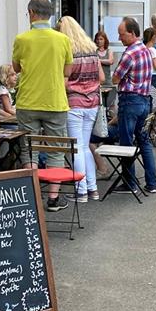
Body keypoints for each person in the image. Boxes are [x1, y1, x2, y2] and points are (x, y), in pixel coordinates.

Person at [12, 0, 74, 212]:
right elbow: (67, 71)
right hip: (55, 101)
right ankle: (53, 199)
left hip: (28, 101)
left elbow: (17, 68)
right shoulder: (63, 40)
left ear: (31, 13)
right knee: (56, 149)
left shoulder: (22, 39)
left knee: (29, 149)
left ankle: (32, 195)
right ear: (50, 14)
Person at [58, 16, 105, 203]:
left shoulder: (69, 51)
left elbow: (64, 82)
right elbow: (101, 77)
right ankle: (92, 188)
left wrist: (73, 87)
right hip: (92, 103)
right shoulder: (91, 50)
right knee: (85, 146)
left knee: (76, 148)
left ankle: (81, 191)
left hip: (74, 103)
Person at [112, 16, 156, 194]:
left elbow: (115, 77)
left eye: (122, 34)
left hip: (130, 101)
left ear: (132, 33)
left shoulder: (130, 53)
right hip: (144, 100)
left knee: (126, 143)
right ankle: (152, 183)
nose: (119, 38)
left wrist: (121, 78)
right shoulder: (145, 50)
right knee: (144, 142)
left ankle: (130, 183)